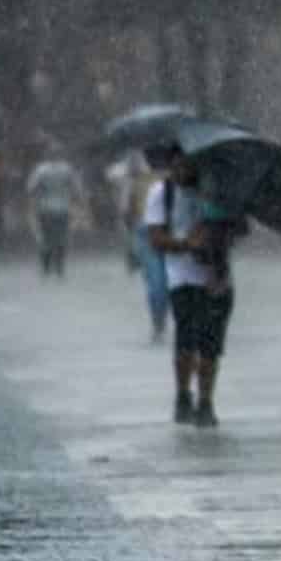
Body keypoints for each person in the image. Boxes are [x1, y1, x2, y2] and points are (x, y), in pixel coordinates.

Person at [144, 147, 241, 427]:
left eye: (188, 165)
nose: (181, 170)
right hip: (182, 278)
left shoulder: (219, 191)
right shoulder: (162, 194)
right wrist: (187, 244)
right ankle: (183, 393)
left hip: (217, 276)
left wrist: (217, 234)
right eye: (177, 165)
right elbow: (156, 239)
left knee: (211, 344)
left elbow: (237, 230)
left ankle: (206, 401)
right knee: (186, 339)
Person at [111, 152, 170, 342]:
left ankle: (158, 321)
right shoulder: (176, 180)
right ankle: (160, 318)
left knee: (155, 281)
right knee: (165, 279)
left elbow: (126, 212)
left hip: (147, 232)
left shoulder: (137, 182)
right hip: (166, 233)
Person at [24, 149, 79, 278]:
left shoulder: (40, 170)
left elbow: (31, 188)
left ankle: (46, 267)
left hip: (45, 208)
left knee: (46, 238)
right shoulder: (67, 169)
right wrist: (75, 199)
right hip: (63, 208)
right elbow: (76, 188)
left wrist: (35, 199)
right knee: (62, 237)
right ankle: (59, 266)